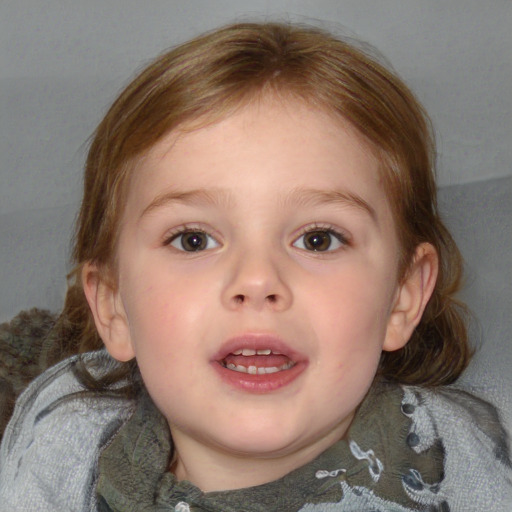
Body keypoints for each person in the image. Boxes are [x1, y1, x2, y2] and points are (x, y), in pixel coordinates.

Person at [0, 21, 511, 512]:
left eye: (318, 239)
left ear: (402, 296)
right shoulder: (65, 439)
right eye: (194, 240)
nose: (258, 281)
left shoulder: (475, 472)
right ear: (114, 306)